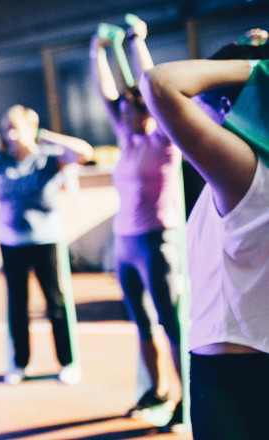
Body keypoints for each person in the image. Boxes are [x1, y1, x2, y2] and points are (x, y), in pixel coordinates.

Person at [141, 31, 269, 439]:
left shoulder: (245, 172)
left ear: (230, 107)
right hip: (239, 368)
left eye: (205, 107)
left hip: (236, 377)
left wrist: (258, 67)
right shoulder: (240, 174)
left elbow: (160, 83)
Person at [90, 19, 184, 425]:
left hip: (157, 241)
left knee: (171, 324)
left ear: (146, 109)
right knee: (143, 324)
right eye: (123, 112)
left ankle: (185, 401)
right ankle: (157, 389)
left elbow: (151, 84)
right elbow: (107, 93)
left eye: (131, 110)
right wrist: (97, 51)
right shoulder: (127, 141)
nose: (123, 116)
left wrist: (135, 41)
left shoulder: (164, 141)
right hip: (125, 243)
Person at [0, 104, 93, 385]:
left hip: (45, 240)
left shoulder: (48, 158)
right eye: (6, 129)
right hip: (11, 242)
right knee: (17, 305)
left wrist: (46, 136)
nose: (11, 135)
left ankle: (68, 362)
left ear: (31, 129)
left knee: (55, 302)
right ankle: (20, 364)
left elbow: (85, 153)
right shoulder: (0, 160)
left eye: (16, 128)